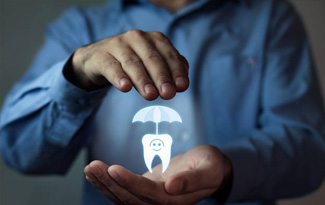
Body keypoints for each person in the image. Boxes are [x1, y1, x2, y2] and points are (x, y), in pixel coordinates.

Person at [0, 0, 324, 204]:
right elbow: (19, 151)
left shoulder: (269, 17)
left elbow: (308, 151)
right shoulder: (81, 27)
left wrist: (228, 166)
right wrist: (76, 74)